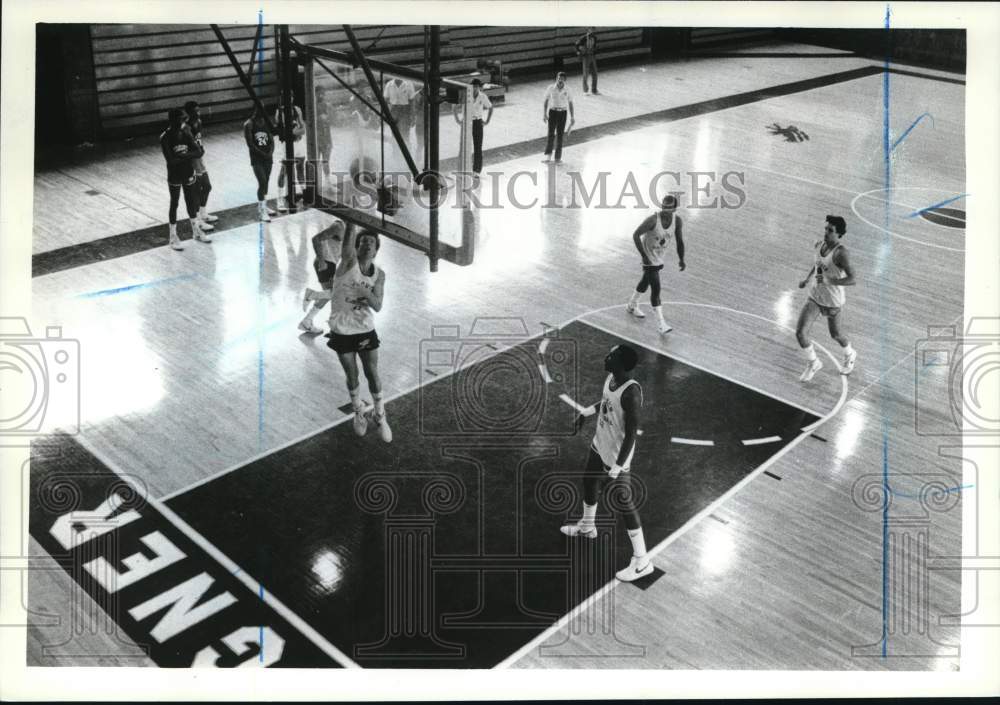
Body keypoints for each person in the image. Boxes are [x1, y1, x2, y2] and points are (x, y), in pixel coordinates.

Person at [561, 344, 653, 583]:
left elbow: (632, 434)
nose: (606, 357)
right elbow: (605, 403)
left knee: (624, 502)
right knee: (588, 482)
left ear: (621, 363)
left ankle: (642, 561)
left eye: (611, 356)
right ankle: (588, 526)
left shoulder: (631, 393)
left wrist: (616, 468)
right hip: (599, 443)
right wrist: (585, 413)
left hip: (616, 456)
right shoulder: (612, 378)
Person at [302, 225, 392, 443]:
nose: (367, 244)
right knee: (352, 376)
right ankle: (358, 411)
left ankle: (380, 414)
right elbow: (348, 236)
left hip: (365, 328)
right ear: (356, 247)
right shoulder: (348, 263)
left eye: (371, 242)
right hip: (342, 329)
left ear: (376, 250)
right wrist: (351, 218)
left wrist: (364, 293)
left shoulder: (379, 275)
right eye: (363, 242)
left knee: (372, 372)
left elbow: (378, 305)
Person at [795, 215, 858, 381]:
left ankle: (850, 354)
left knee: (836, 335)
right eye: (826, 229)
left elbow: (853, 279)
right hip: (815, 296)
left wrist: (831, 280)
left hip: (832, 301)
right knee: (801, 333)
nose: (826, 232)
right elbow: (817, 264)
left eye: (830, 230)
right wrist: (807, 279)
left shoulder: (841, 253)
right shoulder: (818, 245)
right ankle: (813, 362)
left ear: (839, 235)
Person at [625, 195, 686, 334]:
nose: (665, 209)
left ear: (675, 208)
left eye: (669, 207)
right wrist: (644, 256)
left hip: (659, 257)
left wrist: (681, 259)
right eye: (664, 206)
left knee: (645, 282)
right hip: (649, 258)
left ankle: (632, 305)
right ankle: (661, 324)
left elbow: (680, 241)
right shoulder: (652, 220)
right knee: (656, 289)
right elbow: (636, 235)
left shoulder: (677, 221)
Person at [159, 107, 210, 250]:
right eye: (181, 119)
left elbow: (199, 151)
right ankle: (173, 236)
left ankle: (196, 231)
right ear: (173, 120)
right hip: (174, 174)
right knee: (174, 203)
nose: (183, 121)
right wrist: (188, 155)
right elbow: (171, 161)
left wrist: (182, 156)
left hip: (187, 171)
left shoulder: (185, 133)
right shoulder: (165, 137)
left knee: (191, 201)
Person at [298, 219, 345, 334]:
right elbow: (316, 239)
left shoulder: (353, 230)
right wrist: (321, 260)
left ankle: (307, 321)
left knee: (329, 295)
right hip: (325, 263)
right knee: (335, 294)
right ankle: (312, 296)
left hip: (331, 264)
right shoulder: (338, 226)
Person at [182, 101, 219, 232]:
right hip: (192, 160)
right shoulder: (185, 127)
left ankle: (203, 213)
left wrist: (201, 149)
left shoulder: (199, 122)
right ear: (189, 112)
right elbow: (188, 146)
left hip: (199, 158)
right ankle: (197, 219)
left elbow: (199, 141)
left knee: (207, 186)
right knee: (197, 190)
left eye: (199, 110)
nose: (198, 113)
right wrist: (196, 151)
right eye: (195, 111)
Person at [453, 78, 493, 175]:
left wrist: (487, 121)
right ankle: (461, 169)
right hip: (466, 122)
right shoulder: (466, 96)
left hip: (477, 122)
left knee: (477, 146)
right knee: (463, 146)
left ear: (479, 87)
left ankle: (476, 171)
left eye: (476, 86)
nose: (474, 88)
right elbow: (455, 107)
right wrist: (458, 119)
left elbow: (490, 107)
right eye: (473, 86)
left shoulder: (482, 96)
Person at [244, 105, 276, 222]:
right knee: (262, 181)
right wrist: (263, 154)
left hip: (268, 156)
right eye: (259, 109)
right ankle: (262, 212)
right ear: (254, 110)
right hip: (257, 158)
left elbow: (272, 140)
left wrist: (271, 152)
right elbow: (250, 144)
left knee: (266, 181)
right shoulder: (249, 124)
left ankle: (263, 205)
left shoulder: (266, 122)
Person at [274, 101, 306, 213]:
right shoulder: (280, 111)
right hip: (287, 145)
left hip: (298, 143)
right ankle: (280, 199)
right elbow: (282, 131)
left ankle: (305, 194)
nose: (290, 99)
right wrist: (293, 132)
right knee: (284, 171)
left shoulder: (297, 109)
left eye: (292, 97)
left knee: (300, 169)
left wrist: (295, 132)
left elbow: (303, 128)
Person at [542, 72, 574, 164]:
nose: (560, 80)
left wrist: (572, 117)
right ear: (556, 78)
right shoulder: (551, 88)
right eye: (559, 78)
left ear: (565, 80)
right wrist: (544, 114)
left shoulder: (568, 89)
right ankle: (548, 157)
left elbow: (571, 103)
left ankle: (558, 158)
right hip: (553, 112)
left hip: (563, 113)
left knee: (560, 135)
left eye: (562, 79)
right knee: (550, 134)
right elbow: (546, 100)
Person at [575, 27, 599, 95]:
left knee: (595, 74)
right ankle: (585, 90)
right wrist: (579, 52)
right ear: (588, 30)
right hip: (586, 57)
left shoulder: (595, 37)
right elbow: (576, 45)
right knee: (585, 74)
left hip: (592, 56)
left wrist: (594, 51)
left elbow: (594, 46)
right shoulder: (583, 38)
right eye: (591, 29)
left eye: (593, 29)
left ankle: (594, 90)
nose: (593, 30)